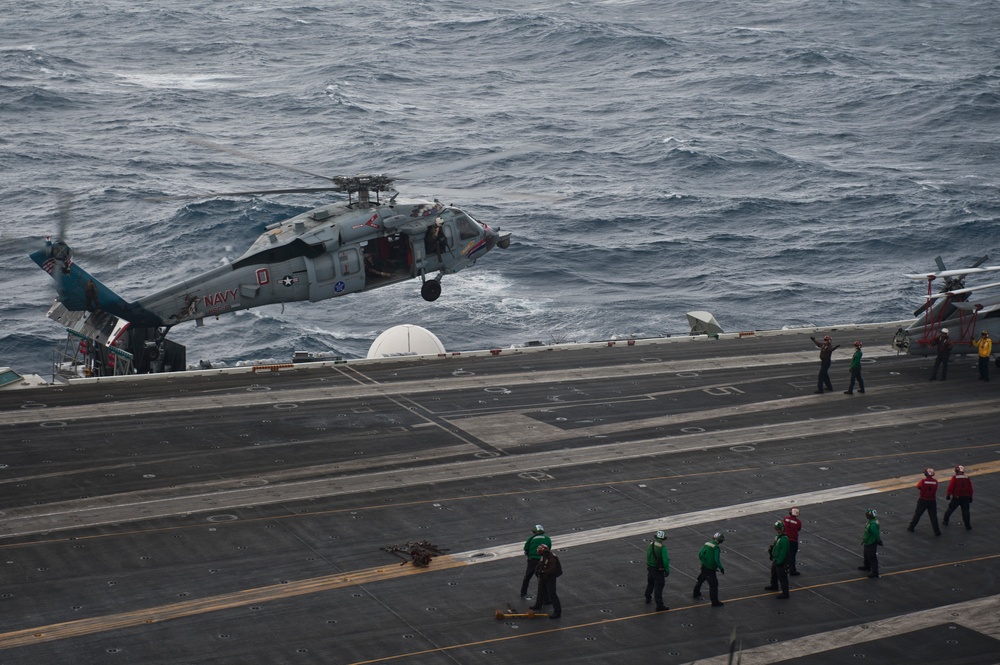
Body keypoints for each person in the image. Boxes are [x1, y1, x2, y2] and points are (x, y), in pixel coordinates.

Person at [693, 532, 725, 607]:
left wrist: (704, 562)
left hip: (704, 566)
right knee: (713, 585)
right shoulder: (716, 547)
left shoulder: (707, 544)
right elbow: (716, 559)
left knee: (701, 578)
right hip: (710, 569)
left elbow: (700, 554)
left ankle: (696, 592)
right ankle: (714, 602)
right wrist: (721, 568)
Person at [519, 524, 551, 598]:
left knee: (527, 577)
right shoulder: (547, 538)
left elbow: (526, 548)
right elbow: (549, 548)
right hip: (543, 560)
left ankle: (523, 592)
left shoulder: (531, 538)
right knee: (543, 578)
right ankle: (545, 596)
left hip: (532, 561)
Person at [907, 467, 942, 536]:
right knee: (933, 516)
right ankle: (937, 531)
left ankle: (911, 527)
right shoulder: (935, 482)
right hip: (932, 500)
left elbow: (917, 486)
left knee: (917, 514)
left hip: (923, 500)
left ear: (926, 474)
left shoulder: (923, 481)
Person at [532, 544, 562, 619]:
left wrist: (542, 572)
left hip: (550, 578)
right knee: (541, 591)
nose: (539, 552)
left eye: (540, 551)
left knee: (552, 594)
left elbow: (552, 569)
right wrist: (537, 570)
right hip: (544, 577)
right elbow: (540, 564)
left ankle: (557, 612)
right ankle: (538, 605)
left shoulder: (552, 558)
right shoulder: (544, 556)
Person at [643, 530, 670, 611]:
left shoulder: (651, 544)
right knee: (659, 587)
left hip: (650, 568)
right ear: (664, 538)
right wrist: (667, 570)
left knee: (650, 584)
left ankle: (647, 597)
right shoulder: (663, 548)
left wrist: (649, 564)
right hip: (658, 571)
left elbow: (648, 555)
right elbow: (665, 561)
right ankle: (659, 605)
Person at [764, 521, 790, 599]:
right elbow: (776, 546)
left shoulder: (784, 539)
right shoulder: (778, 536)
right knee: (774, 573)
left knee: (782, 577)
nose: (777, 530)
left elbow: (783, 552)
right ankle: (774, 585)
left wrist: (779, 561)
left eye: (778, 529)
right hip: (776, 559)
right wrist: (772, 554)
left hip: (781, 561)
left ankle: (785, 593)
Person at [943, 465, 974, 530]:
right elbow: (970, 488)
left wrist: (948, 495)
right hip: (966, 497)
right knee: (966, 511)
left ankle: (945, 521)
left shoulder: (955, 477)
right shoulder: (967, 477)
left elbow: (951, 487)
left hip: (957, 497)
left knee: (951, 509)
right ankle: (967, 525)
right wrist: (970, 496)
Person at [858, 508, 881, 578]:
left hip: (871, 542)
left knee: (872, 557)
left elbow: (876, 534)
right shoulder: (871, 521)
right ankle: (867, 566)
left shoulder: (872, 524)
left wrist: (878, 540)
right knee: (866, 554)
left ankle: (875, 572)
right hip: (867, 541)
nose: (866, 515)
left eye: (868, 514)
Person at [783, 507, 803, 576]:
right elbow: (798, 529)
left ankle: (784, 567)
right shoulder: (798, 522)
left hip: (785, 539)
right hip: (793, 540)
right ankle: (792, 570)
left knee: (785, 554)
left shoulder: (785, 518)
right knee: (792, 556)